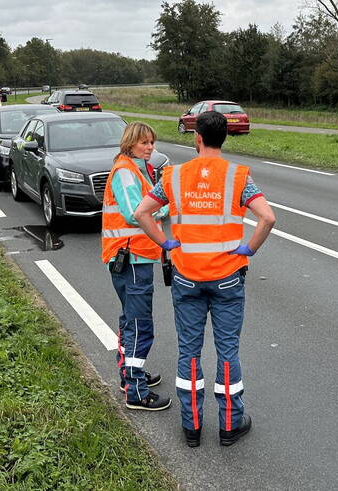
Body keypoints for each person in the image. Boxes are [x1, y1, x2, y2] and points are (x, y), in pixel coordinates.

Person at [135, 110, 276, 448]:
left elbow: (141, 213)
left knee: (189, 351)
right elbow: (268, 218)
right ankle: (229, 425)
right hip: (227, 276)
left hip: (186, 278)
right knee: (228, 351)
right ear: (224, 138)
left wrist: (165, 243)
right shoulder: (238, 177)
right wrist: (248, 250)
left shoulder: (173, 176)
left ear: (196, 137)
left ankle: (192, 426)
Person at [103, 122, 171, 411]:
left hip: (129, 256)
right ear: (130, 143)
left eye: (152, 143)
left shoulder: (131, 169)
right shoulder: (126, 172)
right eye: (144, 143)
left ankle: (128, 375)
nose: (150, 148)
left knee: (130, 318)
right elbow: (135, 214)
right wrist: (168, 207)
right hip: (132, 257)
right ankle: (135, 391)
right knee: (140, 324)